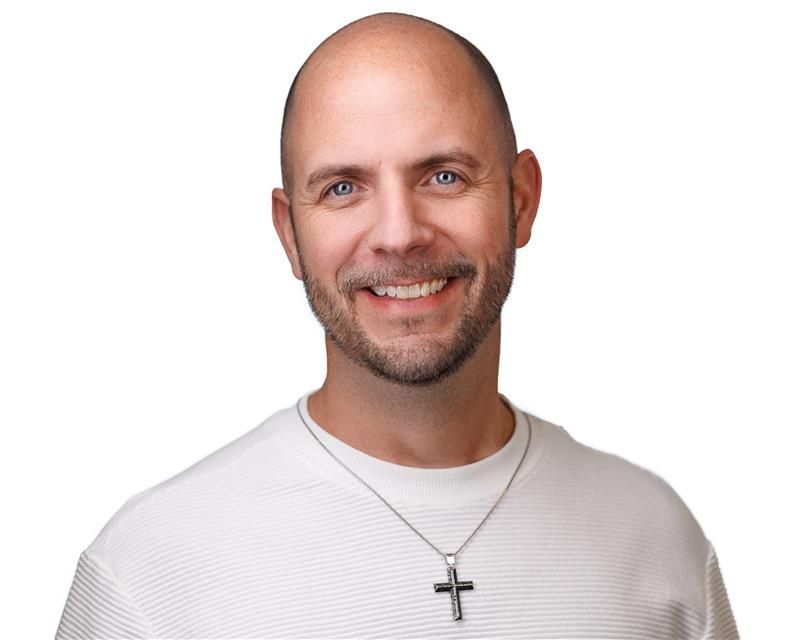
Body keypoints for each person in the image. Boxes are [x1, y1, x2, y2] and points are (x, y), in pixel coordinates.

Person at [56, 11, 738, 639]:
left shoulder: (656, 539)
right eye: (343, 188)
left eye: (442, 176)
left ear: (521, 201)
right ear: (290, 235)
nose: (399, 234)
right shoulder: (148, 574)